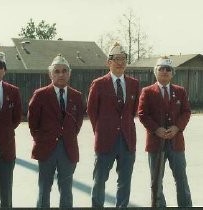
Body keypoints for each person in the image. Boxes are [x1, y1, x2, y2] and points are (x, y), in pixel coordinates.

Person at [28, 54, 85, 208]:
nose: (61, 74)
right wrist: (43, 139)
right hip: (46, 149)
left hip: (68, 149)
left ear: (69, 73)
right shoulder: (40, 95)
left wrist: (67, 137)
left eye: (64, 71)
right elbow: (33, 123)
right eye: (57, 71)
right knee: (44, 189)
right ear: (50, 74)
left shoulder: (77, 96)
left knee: (66, 190)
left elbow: (77, 123)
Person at [87, 42, 139, 208]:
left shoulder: (134, 84)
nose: (120, 62)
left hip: (127, 140)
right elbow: (92, 112)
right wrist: (102, 130)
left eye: (123, 58)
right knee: (100, 180)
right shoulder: (99, 84)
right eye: (116, 59)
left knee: (125, 181)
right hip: (105, 141)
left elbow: (132, 111)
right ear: (108, 62)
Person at [138, 56, 192, 207]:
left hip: (176, 144)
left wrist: (177, 127)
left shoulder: (180, 91)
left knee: (181, 179)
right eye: (161, 68)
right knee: (156, 181)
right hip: (156, 144)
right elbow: (142, 114)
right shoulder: (147, 92)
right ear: (155, 71)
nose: (165, 72)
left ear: (172, 73)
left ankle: (186, 206)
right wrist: (156, 129)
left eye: (168, 69)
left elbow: (186, 112)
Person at [0, 47, 22, 207]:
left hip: (6, 148)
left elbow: (16, 119)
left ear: (5, 70)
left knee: (6, 192)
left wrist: (3, 132)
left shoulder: (14, 91)